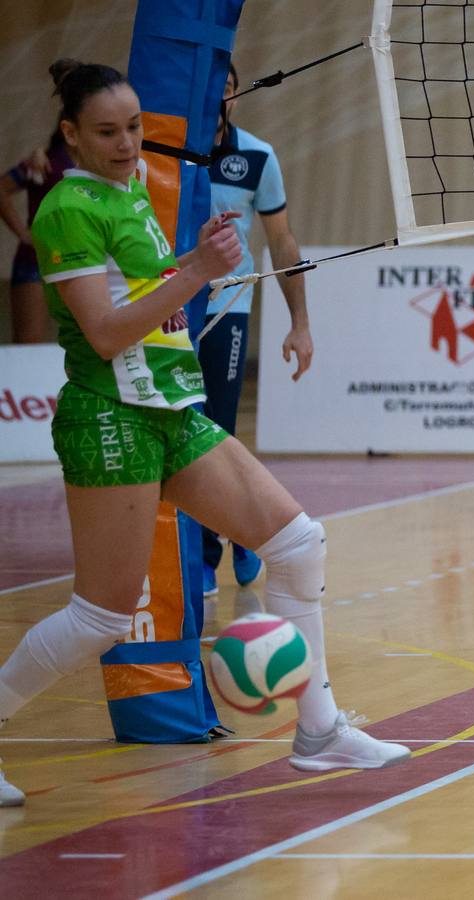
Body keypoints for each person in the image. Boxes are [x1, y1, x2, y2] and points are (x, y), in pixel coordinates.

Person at [0, 62, 406, 808]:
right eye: (106, 132)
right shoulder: (67, 209)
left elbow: (157, 298)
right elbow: (103, 334)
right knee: (100, 616)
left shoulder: (129, 192)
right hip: (110, 417)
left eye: (132, 129)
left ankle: (316, 731)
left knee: (297, 542)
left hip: (169, 407)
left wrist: (195, 263)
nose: (126, 144)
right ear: (69, 136)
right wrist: (195, 271)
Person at [198, 62, 314, 596]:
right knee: (182, 430)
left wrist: (300, 324)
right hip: (170, 305)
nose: (220, 99)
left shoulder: (257, 156)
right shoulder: (163, 152)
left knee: (218, 429)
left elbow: (282, 242)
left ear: (237, 95)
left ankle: (235, 537)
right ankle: (202, 549)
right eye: (210, 88)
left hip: (228, 308)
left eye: (226, 89)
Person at [0, 61, 76, 344]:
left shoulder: (101, 166)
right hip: (36, 263)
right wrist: (22, 233)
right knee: (28, 347)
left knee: (85, 350)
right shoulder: (46, 161)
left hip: (83, 264)